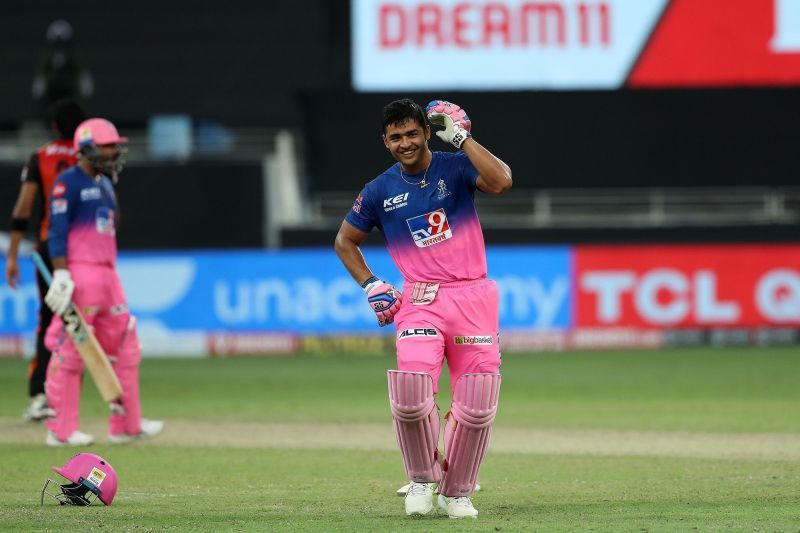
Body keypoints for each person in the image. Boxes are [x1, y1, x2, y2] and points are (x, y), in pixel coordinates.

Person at [334, 98, 512, 519]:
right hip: (421, 299)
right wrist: (371, 282)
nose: (405, 143)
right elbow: (344, 241)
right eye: (395, 137)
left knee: (477, 406)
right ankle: (420, 478)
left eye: (412, 133)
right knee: (411, 394)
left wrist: (464, 138)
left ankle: (458, 491)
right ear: (385, 141)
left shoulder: (456, 166)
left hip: (472, 296)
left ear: (427, 133)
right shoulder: (379, 190)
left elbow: (501, 180)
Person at [42, 117, 164, 446]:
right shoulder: (68, 182)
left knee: (125, 344)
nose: (115, 152)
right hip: (81, 272)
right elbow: (57, 230)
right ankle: (61, 431)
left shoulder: (107, 184)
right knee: (73, 349)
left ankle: (126, 425)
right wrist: (62, 273)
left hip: (109, 273)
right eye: (109, 146)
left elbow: (113, 222)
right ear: (88, 147)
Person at [6, 99, 87, 422]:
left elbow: (24, 208)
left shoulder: (40, 156)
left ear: (54, 127)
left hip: (49, 249)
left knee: (49, 320)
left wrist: (12, 254)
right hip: (85, 252)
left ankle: (42, 395)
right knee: (81, 322)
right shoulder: (89, 156)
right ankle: (69, 396)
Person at [31, 20, 94, 116]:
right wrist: (39, 88)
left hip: (69, 92)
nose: (59, 45)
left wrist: (85, 89)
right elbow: (41, 75)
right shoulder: (46, 57)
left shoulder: (74, 57)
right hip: (52, 94)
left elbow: (81, 73)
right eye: (56, 41)